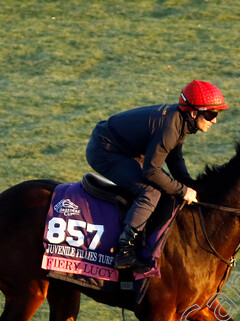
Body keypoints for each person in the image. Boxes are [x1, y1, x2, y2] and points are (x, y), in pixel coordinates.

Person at [85, 80, 228, 271]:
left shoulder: (180, 121)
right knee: (150, 191)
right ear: (194, 113)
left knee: (167, 186)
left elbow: (174, 158)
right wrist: (182, 190)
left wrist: (188, 184)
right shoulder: (170, 128)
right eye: (211, 114)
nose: (214, 120)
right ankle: (124, 251)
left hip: (123, 149)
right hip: (105, 151)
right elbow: (151, 172)